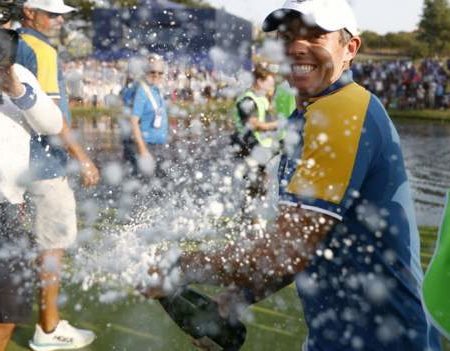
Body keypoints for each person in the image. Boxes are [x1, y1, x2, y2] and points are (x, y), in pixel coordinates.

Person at [143, 0, 442, 350]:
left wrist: (178, 265)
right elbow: (308, 243)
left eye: (316, 34)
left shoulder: (340, 112)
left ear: (350, 48)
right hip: (345, 334)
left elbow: (286, 250)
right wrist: (239, 297)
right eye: (288, 35)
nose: (297, 45)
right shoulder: (312, 114)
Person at [16, 0, 99, 349]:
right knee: (53, 246)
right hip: (44, 163)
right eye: (51, 13)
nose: (58, 20)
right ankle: (48, 330)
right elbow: (48, 116)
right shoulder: (39, 48)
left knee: (31, 246)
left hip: (18, 163)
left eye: (60, 14)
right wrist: (82, 157)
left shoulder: (16, 43)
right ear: (29, 12)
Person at [0, 7, 64, 351]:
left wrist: (17, 90)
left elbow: (52, 124)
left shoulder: (19, 72)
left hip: (6, 206)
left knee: (8, 305)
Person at [124, 53, 169, 179]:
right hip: (147, 146)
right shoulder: (142, 91)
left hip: (158, 145)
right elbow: (133, 122)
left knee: (160, 187)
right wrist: (143, 150)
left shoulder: (157, 90)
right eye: (153, 72)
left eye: (160, 73)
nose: (156, 75)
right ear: (146, 71)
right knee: (146, 187)